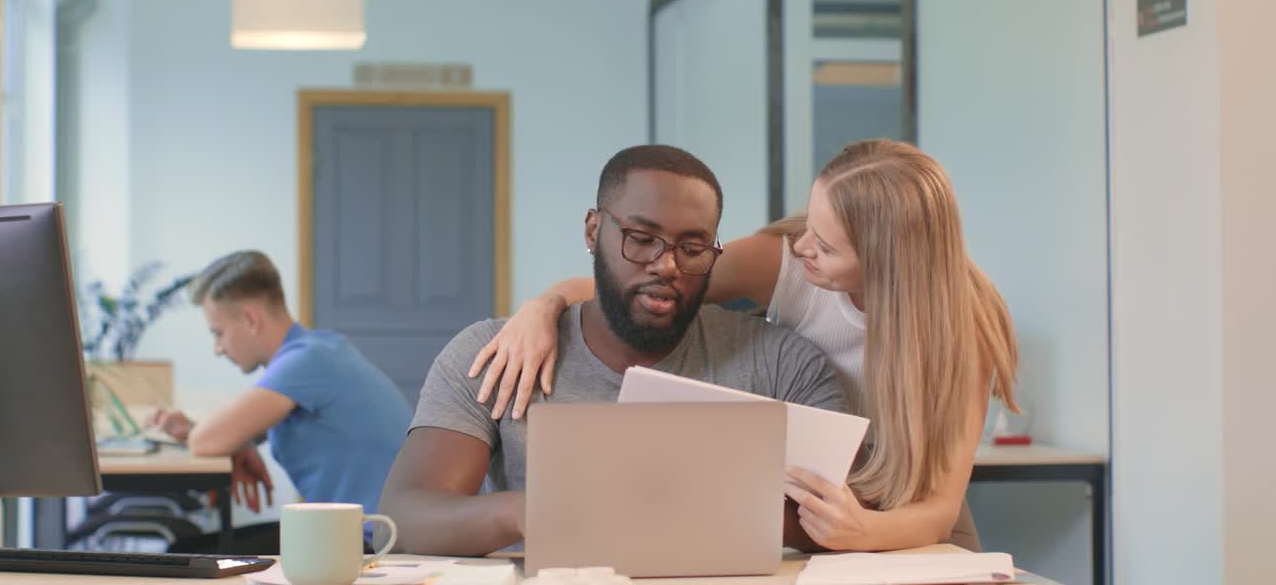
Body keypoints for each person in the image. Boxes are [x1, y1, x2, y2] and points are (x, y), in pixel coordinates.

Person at [469, 138, 1019, 552]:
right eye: (811, 222)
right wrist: (542, 308)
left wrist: (862, 530)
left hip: (902, 524)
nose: (802, 247)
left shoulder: (964, 326)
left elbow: (938, 510)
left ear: (887, 262)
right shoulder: (783, 262)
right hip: (809, 511)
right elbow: (642, 286)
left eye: (825, 247)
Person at [380, 145, 848, 556]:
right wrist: (526, 513)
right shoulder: (493, 354)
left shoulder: (783, 361)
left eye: (693, 247)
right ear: (592, 231)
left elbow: (844, 516)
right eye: (641, 240)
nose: (666, 265)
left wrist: (664, 509)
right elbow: (406, 517)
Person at [148, 250, 412, 554]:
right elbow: (224, 435)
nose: (217, 349)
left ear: (250, 319)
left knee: (186, 554)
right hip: (358, 532)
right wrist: (239, 442)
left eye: (218, 333)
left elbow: (205, 442)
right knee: (192, 549)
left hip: (379, 542)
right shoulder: (317, 351)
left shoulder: (306, 360)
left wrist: (231, 439)